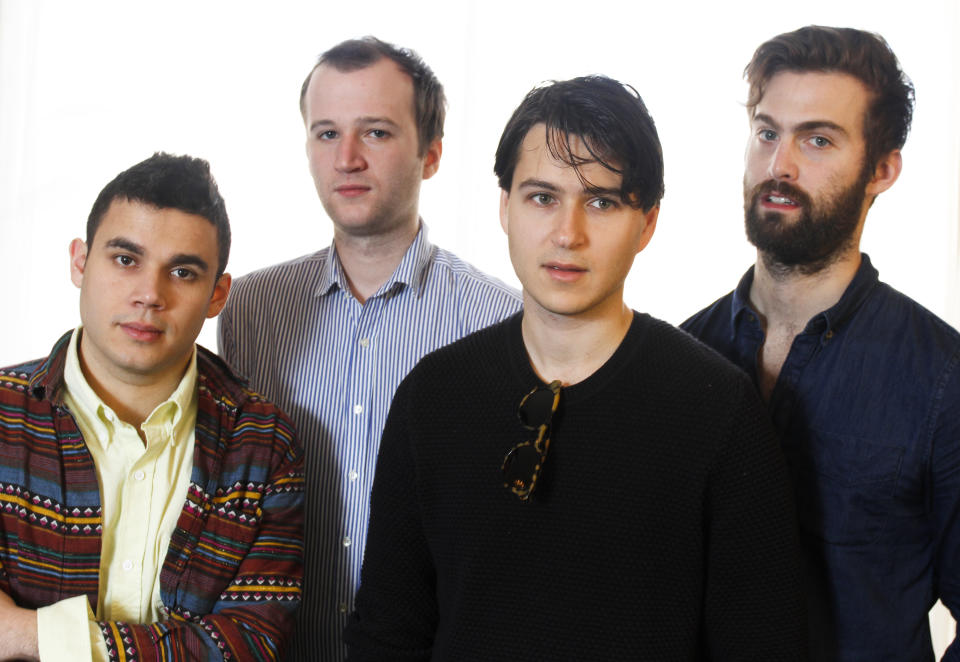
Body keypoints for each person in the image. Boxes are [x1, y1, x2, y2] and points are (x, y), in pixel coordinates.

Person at [344, 75, 806, 660]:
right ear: (505, 208)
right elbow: (387, 634)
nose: (568, 234)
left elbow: (761, 645)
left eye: (601, 201)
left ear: (648, 223)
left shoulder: (716, 409)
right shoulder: (432, 398)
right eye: (542, 197)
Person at [217, 37, 520, 661]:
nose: (347, 158)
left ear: (431, 153)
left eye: (375, 133)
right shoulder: (247, 308)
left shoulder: (502, 317)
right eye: (326, 134)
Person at [682, 25, 960, 661]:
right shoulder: (679, 357)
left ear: (882, 168)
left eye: (818, 139)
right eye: (767, 131)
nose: (780, 165)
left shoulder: (943, 381)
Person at [0, 153, 304, 661]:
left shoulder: (264, 444)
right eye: (125, 259)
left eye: (182, 272)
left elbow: (248, 644)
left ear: (217, 294)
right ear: (79, 262)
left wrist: (25, 635)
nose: (149, 294)